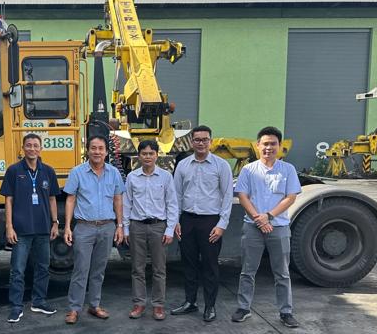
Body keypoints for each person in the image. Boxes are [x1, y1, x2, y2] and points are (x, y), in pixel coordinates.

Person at [232, 126, 301, 328]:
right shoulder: (248, 170)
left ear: (279, 146)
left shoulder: (288, 170)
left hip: (278, 227)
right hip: (252, 227)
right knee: (247, 271)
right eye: (265, 144)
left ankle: (286, 312)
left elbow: (291, 197)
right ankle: (243, 308)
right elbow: (242, 196)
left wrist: (269, 216)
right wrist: (258, 218)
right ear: (257, 146)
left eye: (273, 144)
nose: (268, 148)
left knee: (282, 273)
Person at [171, 125, 233, 322]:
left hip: (210, 222)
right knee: (188, 264)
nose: (201, 143)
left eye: (204, 139)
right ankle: (190, 302)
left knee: (210, 266)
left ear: (211, 142)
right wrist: (176, 221)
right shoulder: (182, 166)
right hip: (187, 221)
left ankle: (210, 306)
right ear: (191, 142)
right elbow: (176, 196)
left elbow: (227, 196)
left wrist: (222, 224)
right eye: (197, 139)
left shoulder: (221, 166)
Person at [62, 135, 125, 325]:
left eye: (101, 148)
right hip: (84, 228)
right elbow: (70, 199)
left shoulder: (114, 173)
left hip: (107, 227)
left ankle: (94, 305)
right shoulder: (77, 172)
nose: (97, 152)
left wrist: (120, 226)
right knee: (81, 269)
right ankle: (74, 308)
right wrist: (67, 227)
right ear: (87, 150)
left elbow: (117, 199)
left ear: (106, 151)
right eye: (93, 148)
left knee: (99, 270)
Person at [0, 133, 60, 323]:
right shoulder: (13, 171)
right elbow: (8, 200)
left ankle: (39, 301)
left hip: (43, 229)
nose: (32, 148)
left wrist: (55, 222)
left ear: (40, 148)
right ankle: (16, 307)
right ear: (23, 148)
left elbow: (52, 198)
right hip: (21, 230)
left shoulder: (48, 171)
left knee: (43, 267)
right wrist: (9, 226)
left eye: (35, 145)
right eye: (28, 145)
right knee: (17, 270)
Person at [122, 140, 179, 321]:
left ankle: (158, 305)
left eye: (151, 153)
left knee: (159, 269)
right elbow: (126, 203)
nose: (147, 157)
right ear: (139, 156)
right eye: (144, 154)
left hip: (158, 227)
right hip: (137, 226)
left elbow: (172, 204)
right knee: (137, 268)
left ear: (156, 155)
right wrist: (125, 228)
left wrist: (169, 229)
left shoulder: (165, 177)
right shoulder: (132, 177)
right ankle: (139, 304)